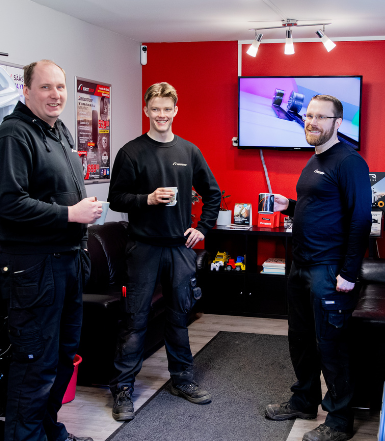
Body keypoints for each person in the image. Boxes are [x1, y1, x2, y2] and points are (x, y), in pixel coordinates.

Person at [0, 60, 103, 441]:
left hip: (66, 264)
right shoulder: (13, 135)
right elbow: (8, 204)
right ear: (26, 91)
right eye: (45, 87)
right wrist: (70, 213)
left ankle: (50, 432)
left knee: (63, 358)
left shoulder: (58, 133)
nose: (56, 95)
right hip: (34, 268)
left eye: (60, 87)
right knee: (36, 363)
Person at [107, 82, 222, 421]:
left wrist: (202, 228)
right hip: (143, 248)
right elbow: (116, 199)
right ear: (147, 110)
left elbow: (213, 193)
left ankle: (182, 380)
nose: (161, 114)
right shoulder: (131, 152)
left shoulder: (189, 151)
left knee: (178, 317)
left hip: (179, 248)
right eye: (155, 108)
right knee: (135, 319)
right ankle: (123, 389)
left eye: (167, 109)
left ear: (175, 111)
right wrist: (147, 198)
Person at [264, 95, 372, 441]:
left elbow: (360, 220)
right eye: (308, 115)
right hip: (301, 266)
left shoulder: (350, 162)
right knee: (300, 339)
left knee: (331, 345)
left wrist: (348, 274)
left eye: (320, 117)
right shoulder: (314, 159)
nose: (311, 122)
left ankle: (339, 421)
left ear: (337, 123)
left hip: (328, 270)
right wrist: (290, 206)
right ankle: (304, 401)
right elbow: (323, 209)